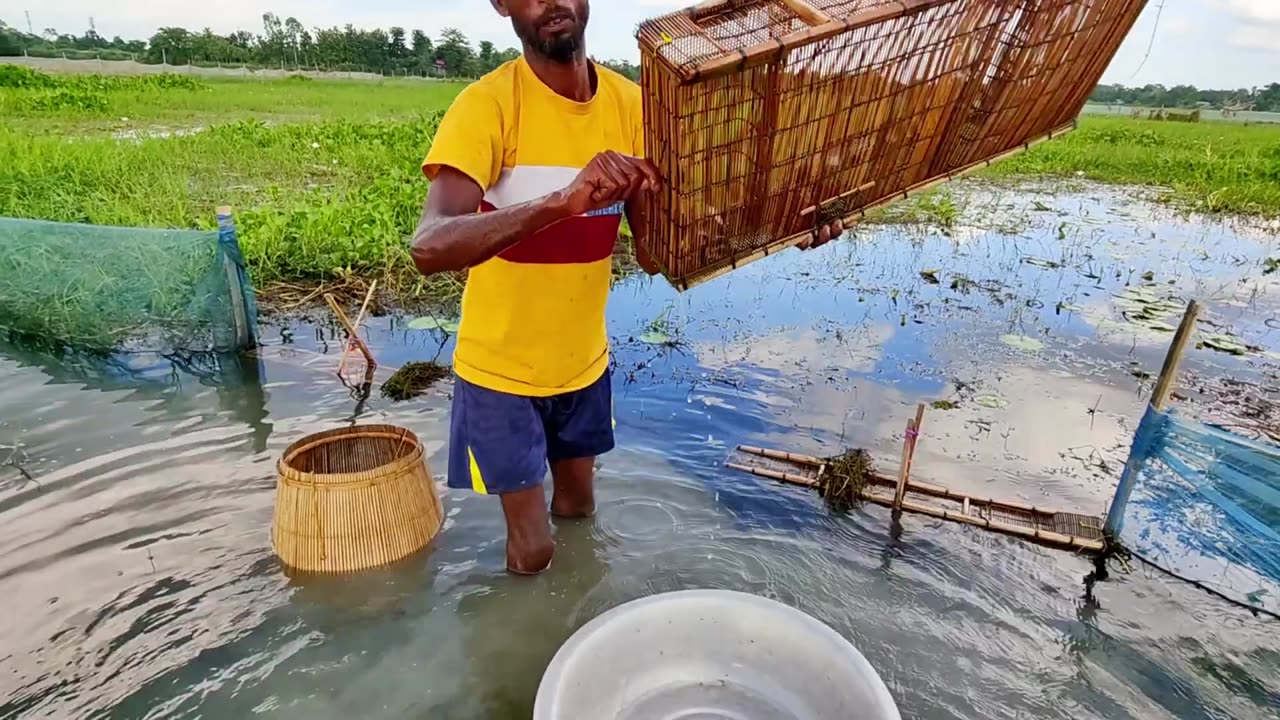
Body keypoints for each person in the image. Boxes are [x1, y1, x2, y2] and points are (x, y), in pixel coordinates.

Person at [411, 0, 844, 574]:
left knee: (580, 508)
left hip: (584, 365)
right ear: (501, 5)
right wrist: (562, 203)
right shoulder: (488, 106)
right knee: (535, 549)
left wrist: (790, 225)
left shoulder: (632, 106)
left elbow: (659, 249)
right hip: (499, 375)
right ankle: (528, 658)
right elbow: (430, 245)